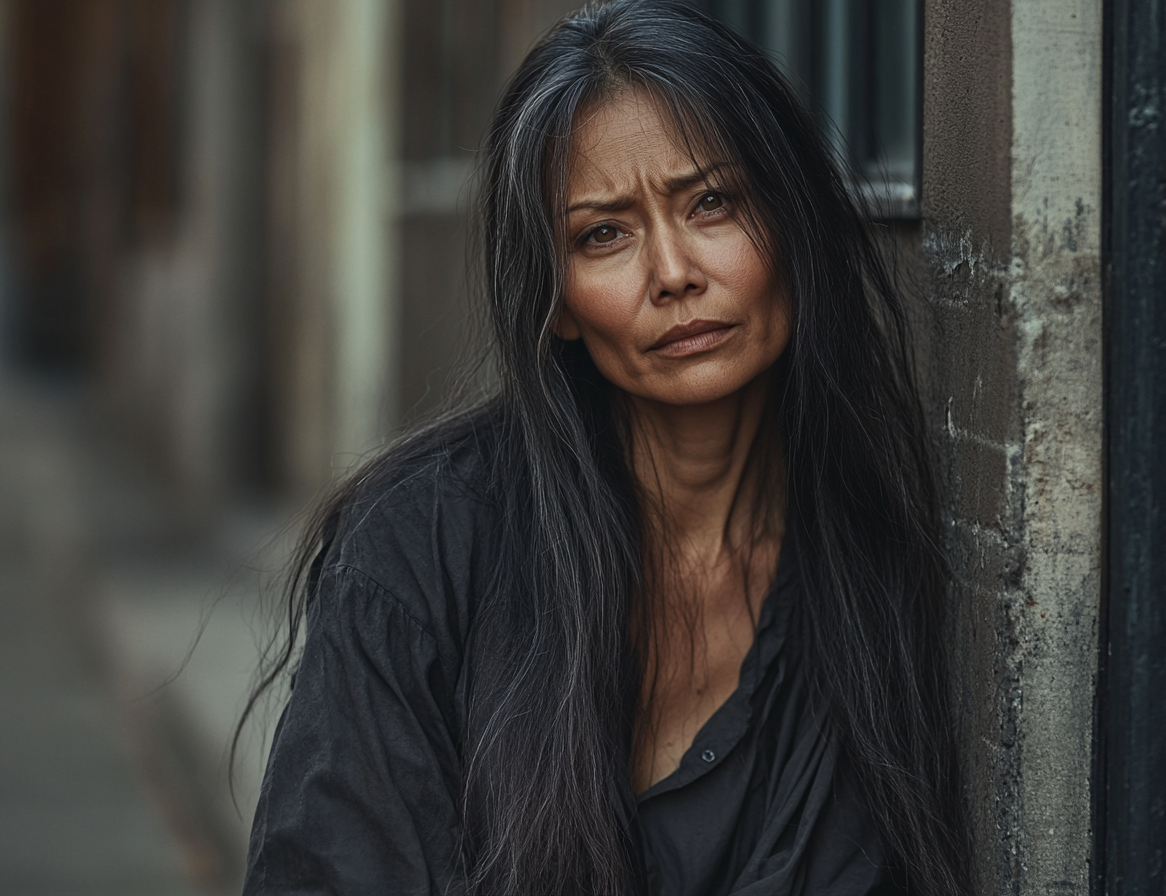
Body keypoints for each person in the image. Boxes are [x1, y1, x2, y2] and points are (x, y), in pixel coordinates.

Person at [240, 1, 971, 893]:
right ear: (554, 301)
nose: (673, 273)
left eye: (712, 202)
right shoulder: (418, 548)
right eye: (604, 234)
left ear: (793, 223)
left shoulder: (868, 568)